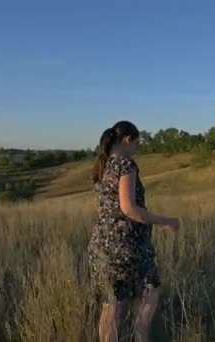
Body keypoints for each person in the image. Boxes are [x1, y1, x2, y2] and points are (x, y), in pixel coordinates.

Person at [88, 120, 180, 342]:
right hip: (127, 246)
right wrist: (165, 220)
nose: (136, 150)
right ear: (127, 140)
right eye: (136, 144)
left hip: (103, 245)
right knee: (151, 291)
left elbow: (108, 207)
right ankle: (140, 338)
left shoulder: (104, 165)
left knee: (112, 306)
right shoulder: (125, 165)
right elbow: (128, 208)